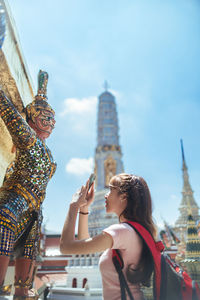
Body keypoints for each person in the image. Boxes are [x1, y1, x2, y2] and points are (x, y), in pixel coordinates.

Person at [0, 70, 56, 299]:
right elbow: (9, 113)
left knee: (30, 254)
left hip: (34, 210)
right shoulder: (29, 139)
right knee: (4, 219)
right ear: (32, 118)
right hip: (16, 198)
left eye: (53, 118)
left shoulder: (49, 154)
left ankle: (23, 293)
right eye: (45, 116)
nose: (51, 121)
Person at [60, 173, 157, 300]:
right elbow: (85, 244)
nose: (106, 195)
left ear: (123, 196)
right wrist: (84, 209)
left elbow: (65, 247)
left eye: (111, 190)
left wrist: (73, 206)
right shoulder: (133, 230)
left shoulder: (122, 231)